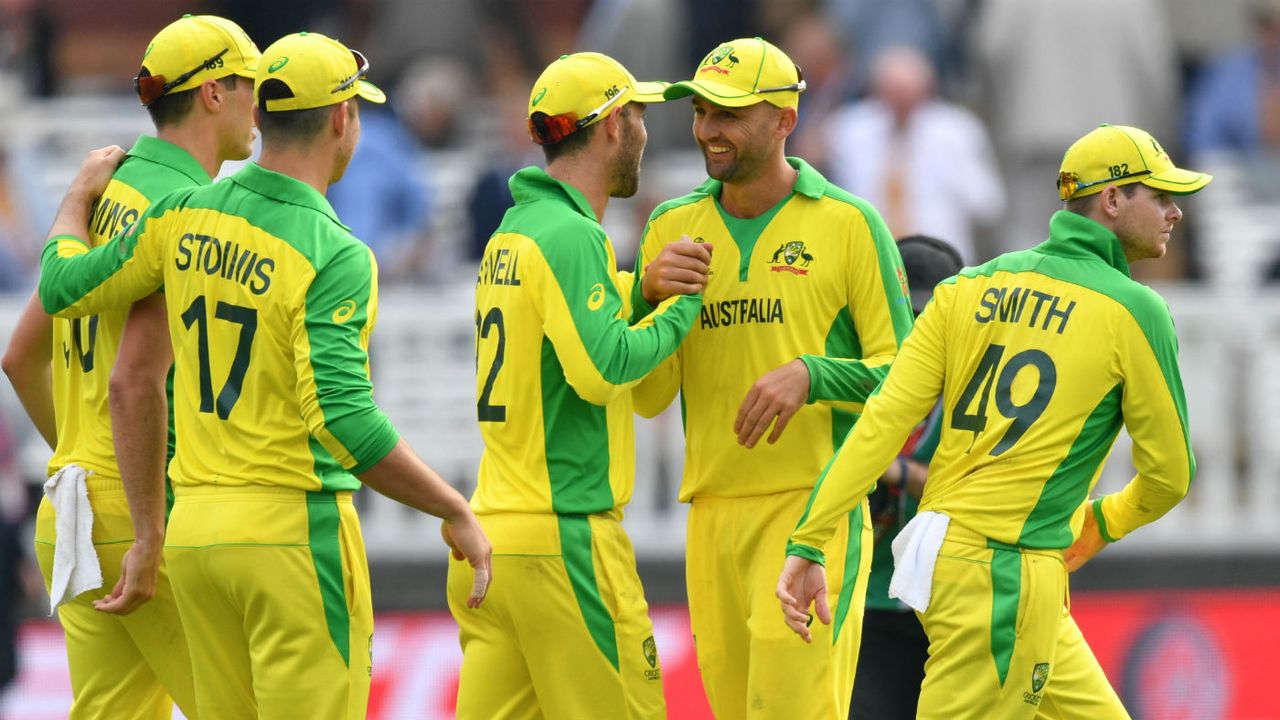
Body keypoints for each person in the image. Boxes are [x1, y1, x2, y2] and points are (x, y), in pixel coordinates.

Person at [35, 32, 491, 719]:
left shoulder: (185, 213)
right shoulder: (335, 252)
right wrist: (453, 505)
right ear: (341, 119)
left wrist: (74, 204)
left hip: (195, 536)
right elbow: (343, 421)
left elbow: (63, 285)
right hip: (289, 535)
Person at [778, 123, 1208, 719]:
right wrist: (1100, 524)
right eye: (1161, 196)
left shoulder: (968, 285)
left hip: (952, 555)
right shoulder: (1136, 309)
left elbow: (881, 423)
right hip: (1008, 570)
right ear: (1112, 200)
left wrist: (808, 537)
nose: (1176, 212)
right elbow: (1170, 476)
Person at [632, 36, 914, 719]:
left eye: (728, 113)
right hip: (711, 514)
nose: (708, 129)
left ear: (784, 120)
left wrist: (812, 375)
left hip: (812, 510)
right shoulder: (673, 225)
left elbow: (909, 379)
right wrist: (643, 297)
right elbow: (647, 396)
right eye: (702, 111)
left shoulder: (848, 223)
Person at [2, 14, 261, 718]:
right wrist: (142, 521)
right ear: (212, 93)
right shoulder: (186, 207)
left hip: (74, 504)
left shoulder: (106, 189)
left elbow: (21, 355)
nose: (260, 103)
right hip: (144, 509)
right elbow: (134, 380)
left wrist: (79, 453)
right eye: (251, 84)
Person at [447, 51, 709, 719]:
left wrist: (638, 288)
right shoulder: (574, 234)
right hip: (565, 541)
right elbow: (604, 370)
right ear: (614, 125)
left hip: (492, 536)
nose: (647, 130)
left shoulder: (514, 230)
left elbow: (558, 327)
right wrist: (682, 303)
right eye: (641, 114)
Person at [850, 234, 960, 720]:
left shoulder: (977, 390)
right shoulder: (854, 379)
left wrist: (891, 469)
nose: (914, 331)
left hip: (953, 604)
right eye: (904, 315)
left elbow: (977, 485)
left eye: (925, 316)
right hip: (869, 601)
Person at [823, 47, 1004, 262]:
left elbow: (988, 205)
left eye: (909, 94)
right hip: (869, 257)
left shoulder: (957, 131)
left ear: (928, 91)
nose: (901, 104)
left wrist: (950, 168)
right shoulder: (848, 129)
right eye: (892, 93)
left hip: (941, 259)